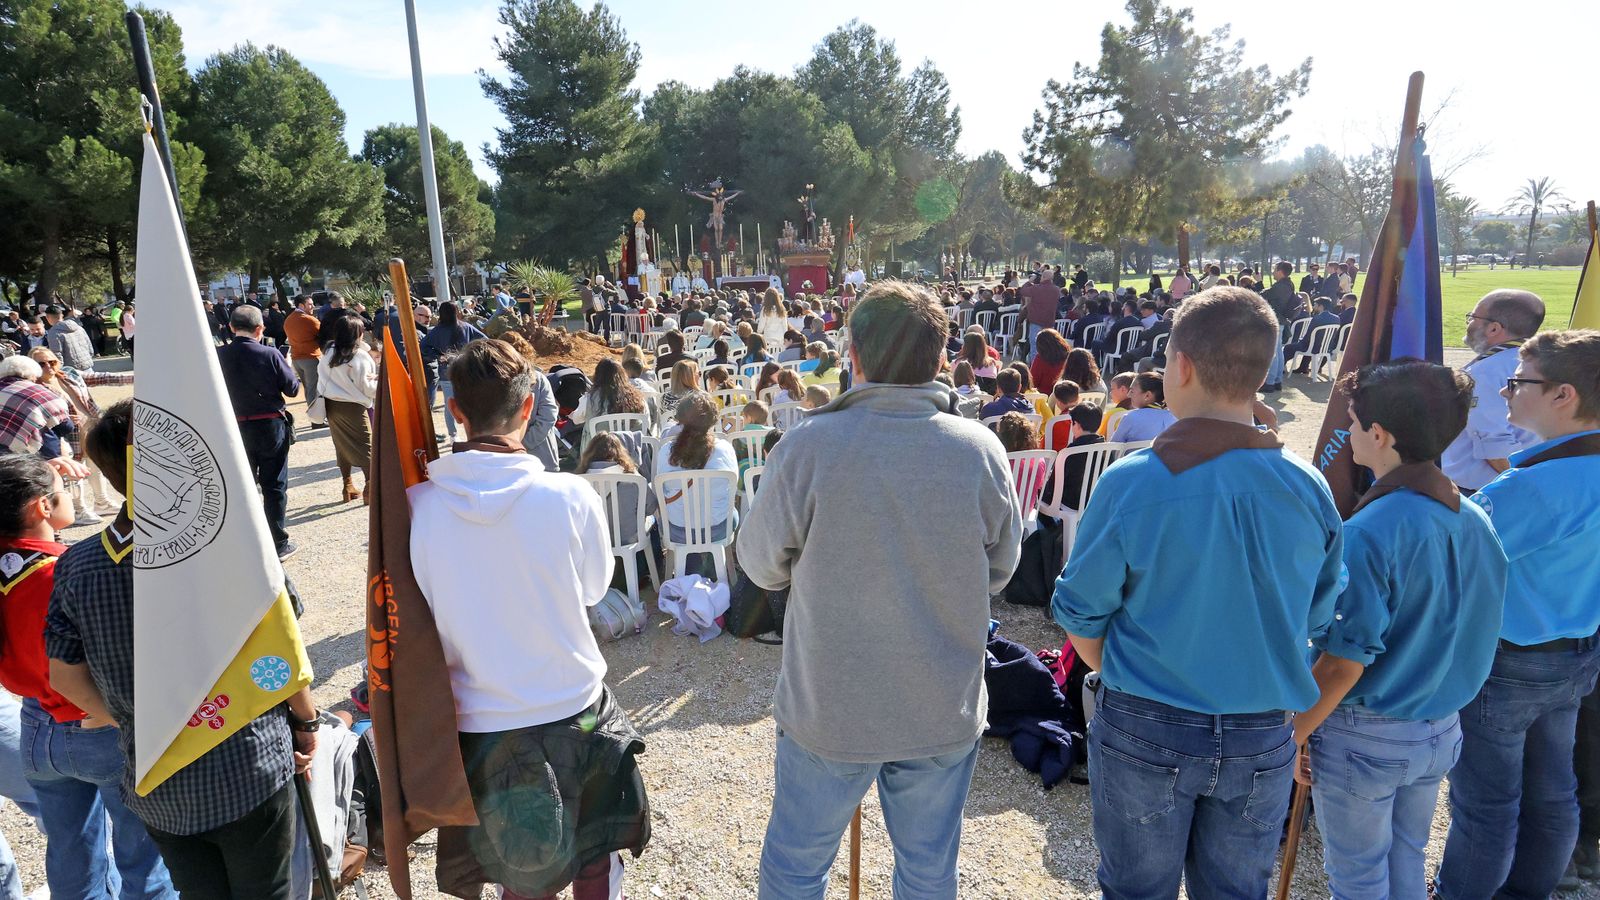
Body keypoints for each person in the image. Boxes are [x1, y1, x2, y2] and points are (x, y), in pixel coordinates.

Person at [1053, 286, 1343, 900]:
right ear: (1264, 371)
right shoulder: (1309, 487)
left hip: (1146, 719)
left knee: (1136, 890)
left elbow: (1081, 615)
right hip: (1262, 728)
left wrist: (1126, 672)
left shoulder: (1132, 482)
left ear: (1178, 367)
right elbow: (1318, 616)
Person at [739, 280, 1019, 900]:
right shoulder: (980, 450)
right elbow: (999, 570)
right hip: (938, 703)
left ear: (853, 357)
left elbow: (759, 564)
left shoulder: (808, 446)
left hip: (832, 707)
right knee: (927, 872)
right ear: (939, 359)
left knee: (795, 871)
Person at [46, 401, 319, 898]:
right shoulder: (234, 548)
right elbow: (281, 648)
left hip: (157, 772)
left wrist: (131, 717)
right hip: (248, 760)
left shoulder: (76, 566)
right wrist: (306, 721)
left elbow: (63, 676)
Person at [407, 341, 649, 900]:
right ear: (527, 409)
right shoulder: (568, 495)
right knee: (592, 855)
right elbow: (593, 590)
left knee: (521, 868)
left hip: (486, 727)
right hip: (576, 713)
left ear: (457, 411)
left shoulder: (417, 508)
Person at [1285, 361, 1507, 899]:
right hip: (1439, 726)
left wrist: (1291, 735)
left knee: (1359, 876)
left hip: (1370, 733)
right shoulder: (1474, 515)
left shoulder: (1369, 531)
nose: (1351, 434)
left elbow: (1343, 663)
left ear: (1379, 434)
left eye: (1355, 423)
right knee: (1405, 857)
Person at [1438, 329, 1600, 900]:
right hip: (1576, 652)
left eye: (1518, 382)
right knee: (1553, 790)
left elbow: (1449, 562)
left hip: (1509, 661)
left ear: (1564, 395)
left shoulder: (1535, 486)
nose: (1506, 393)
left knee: (1486, 802)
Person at [0, 453, 178, 899]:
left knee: (73, 858)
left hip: (36, 728)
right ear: (43, 507)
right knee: (146, 858)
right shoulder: (65, 569)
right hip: (97, 722)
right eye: (63, 494)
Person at [215, 306, 301, 558]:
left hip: (234, 427)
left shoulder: (217, 355)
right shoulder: (270, 353)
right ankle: (278, 541)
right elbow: (293, 389)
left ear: (231, 327)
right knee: (274, 485)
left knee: (242, 485)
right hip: (270, 425)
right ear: (260, 329)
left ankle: (244, 540)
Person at [1440, 290, 1546, 493]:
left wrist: (1527, 493)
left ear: (1494, 328)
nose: (1469, 323)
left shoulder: (1485, 372)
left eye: (1473, 317)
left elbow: (1496, 449)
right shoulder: (1541, 363)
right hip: (1529, 477)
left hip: (1489, 490)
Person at [654, 391, 738, 546]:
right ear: (713, 420)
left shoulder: (666, 450)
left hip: (677, 530)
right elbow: (733, 486)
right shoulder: (725, 449)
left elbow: (662, 489)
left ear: (679, 419)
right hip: (718, 529)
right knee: (733, 512)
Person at [317, 315, 377, 503]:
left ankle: (347, 485)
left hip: (332, 405)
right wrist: (381, 382)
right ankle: (370, 487)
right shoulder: (359, 356)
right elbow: (367, 388)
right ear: (357, 334)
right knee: (367, 447)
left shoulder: (328, 352)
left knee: (341, 446)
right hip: (355, 407)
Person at [419, 302, 488, 444]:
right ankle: (475, 433)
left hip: (446, 372)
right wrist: (472, 353)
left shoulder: (437, 331)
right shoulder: (465, 327)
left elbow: (423, 347)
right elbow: (485, 341)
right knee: (471, 402)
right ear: (456, 312)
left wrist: (438, 356)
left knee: (449, 403)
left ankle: (453, 435)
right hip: (467, 371)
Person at [0, 355, 74, 461]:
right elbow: (66, 426)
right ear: (32, 374)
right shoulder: (39, 392)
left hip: (4, 456)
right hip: (42, 455)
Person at [1039, 402, 1106, 515]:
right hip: (1096, 500)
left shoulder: (1069, 453)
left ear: (1077, 425)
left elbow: (1054, 485)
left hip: (1070, 503)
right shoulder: (1107, 448)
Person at [1259, 261, 1298, 393]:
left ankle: (1270, 382)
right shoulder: (1288, 284)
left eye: (1275, 269)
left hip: (1276, 319)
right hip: (1281, 320)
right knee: (1279, 352)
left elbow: (1263, 295)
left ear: (1280, 271)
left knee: (1273, 353)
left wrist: (1259, 282)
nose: (1273, 272)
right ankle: (1277, 381)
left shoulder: (1281, 286)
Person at [1108, 372, 1175, 442]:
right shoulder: (1173, 417)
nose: (1128, 395)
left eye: (1132, 391)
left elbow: (1114, 446)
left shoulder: (1130, 417)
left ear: (1147, 395)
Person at [284, 297, 322, 414]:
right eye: (310, 304)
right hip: (311, 358)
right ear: (301, 305)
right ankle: (316, 419)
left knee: (308, 388)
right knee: (314, 389)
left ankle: (315, 416)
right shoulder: (309, 320)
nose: (313, 307)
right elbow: (324, 335)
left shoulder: (288, 320)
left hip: (297, 359)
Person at [43, 306, 95, 374]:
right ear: (62, 315)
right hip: (87, 366)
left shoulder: (54, 332)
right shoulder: (79, 327)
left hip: (70, 370)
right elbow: (89, 347)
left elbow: (57, 353)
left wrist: (58, 370)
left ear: (47, 317)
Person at [1020, 271, 1058, 361]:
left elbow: (1023, 291)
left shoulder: (1036, 288)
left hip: (1036, 320)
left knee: (1035, 346)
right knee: (1048, 346)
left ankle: (1034, 367)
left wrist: (1029, 281)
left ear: (1043, 277)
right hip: (1049, 321)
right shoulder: (1056, 290)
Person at [1030, 329, 1069, 393]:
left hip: (1043, 398)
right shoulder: (1068, 356)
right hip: (1065, 396)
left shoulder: (1040, 359)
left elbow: (1033, 382)